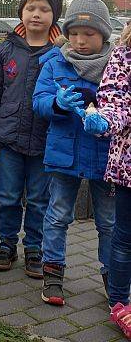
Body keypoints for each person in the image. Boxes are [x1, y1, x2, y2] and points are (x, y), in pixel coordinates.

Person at [33, 0, 115, 305]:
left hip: (103, 156)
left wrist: (105, 115)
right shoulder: (55, 62)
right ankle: (52, 273)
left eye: (89, 34)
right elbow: (38, 101)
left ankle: (113, 277)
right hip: (63, 154)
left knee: (108, 221)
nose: (80, 41)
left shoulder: (116, 66)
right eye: (75, 33)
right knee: (57, 215)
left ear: (104, 35)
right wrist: (57, 103)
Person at [0, 0, 63, 278]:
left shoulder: (60, 54)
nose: (36, 14)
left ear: (55, 14)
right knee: (9, 196)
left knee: (40, 199)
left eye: (44, 8)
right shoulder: (5, 51)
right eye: (30, 7)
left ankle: (34, 248)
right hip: (10, 139)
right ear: (21, 12)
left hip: (45, 141)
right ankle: (6, 243)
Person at [82, 24, 131, 339]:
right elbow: (116, 100)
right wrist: (105, 120)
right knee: (124, 238)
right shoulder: (124, 55)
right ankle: (119, 303)